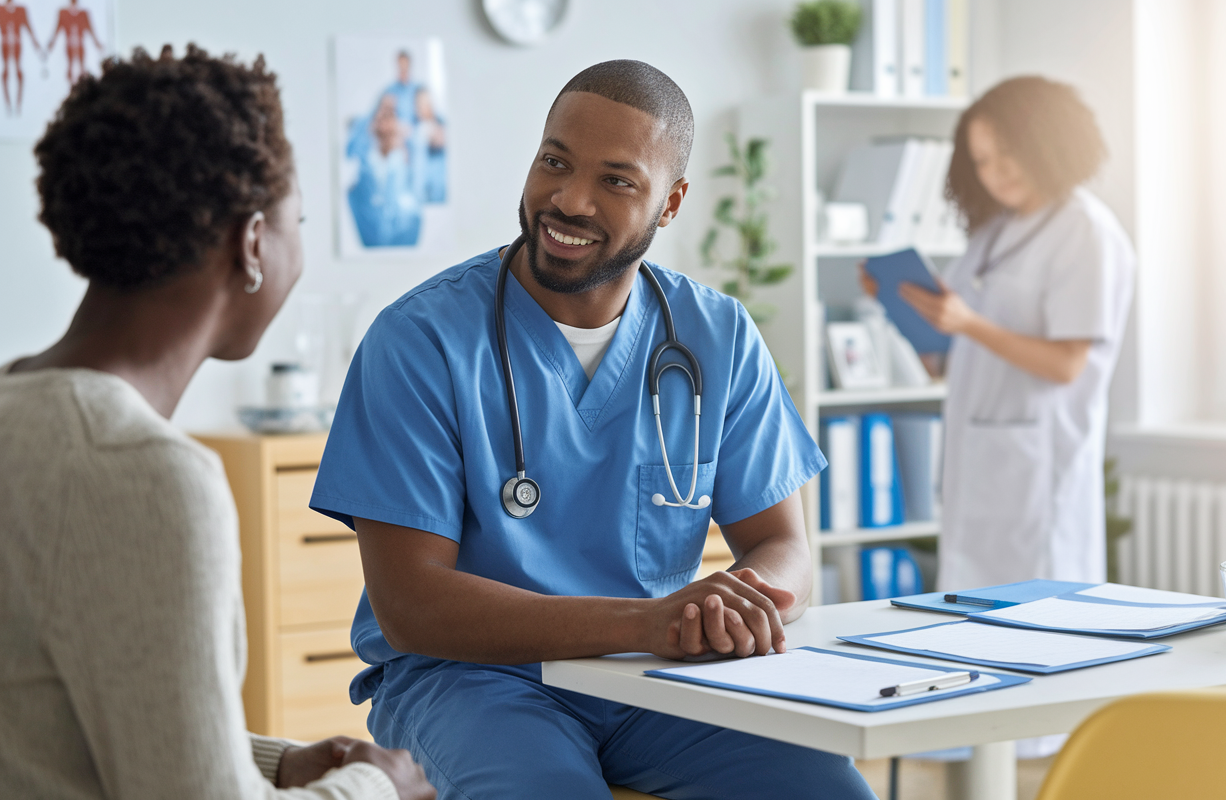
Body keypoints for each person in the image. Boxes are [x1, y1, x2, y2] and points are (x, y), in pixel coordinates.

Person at [310, 60, 876, 800]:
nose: (568, 199)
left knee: (826, 789)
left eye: (616, 180)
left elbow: (784, 545)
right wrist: (647, 623)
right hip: (471, 683)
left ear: (670, 204)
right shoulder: (421, 341)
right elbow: (411, 605)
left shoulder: (718, 337)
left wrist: (735, 602)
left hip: (653, 684)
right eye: (554, 161)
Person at [0, 44, 435, 800]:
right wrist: (377, 786)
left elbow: (44, 718)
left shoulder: (21, 417)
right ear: (251, 243)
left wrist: (273, 764)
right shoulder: (142, 473)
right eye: (297, 221)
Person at [864, 79, 1134, 614]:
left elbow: (1066, 364)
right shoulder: (992, 233)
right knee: (972, 623)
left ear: (1048, 142)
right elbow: (953, 359)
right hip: (979, 466)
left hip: (1038, 469)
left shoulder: (1086, 230)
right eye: (982, 160)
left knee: (1046, 624)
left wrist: (966, 322)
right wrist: (905, 310)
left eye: (1008, 154)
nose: (996, 173)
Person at [347, 92, 422, 247]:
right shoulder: (362, 164)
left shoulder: (408, 162)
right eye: (382, 113)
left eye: (392, 114)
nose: (386, 123)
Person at [0, 0, 40, 114]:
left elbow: (28, 26)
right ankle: (8, 104)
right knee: (6, 70)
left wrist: (35, 43)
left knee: (17, 69)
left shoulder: (21, 11)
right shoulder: (1, 10)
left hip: (17, 44)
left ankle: (18, 103)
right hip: (6, 44)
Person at [46, 0, 100, 85]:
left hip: (80, 45)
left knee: (82, 68)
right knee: (70, 67)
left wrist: (97, 43)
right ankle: (71, 87)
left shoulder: (83, 14)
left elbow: (90, 29)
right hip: (69, 45)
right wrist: (52, 42)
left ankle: (83, 88)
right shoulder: (64, 13)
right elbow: (57, 28)